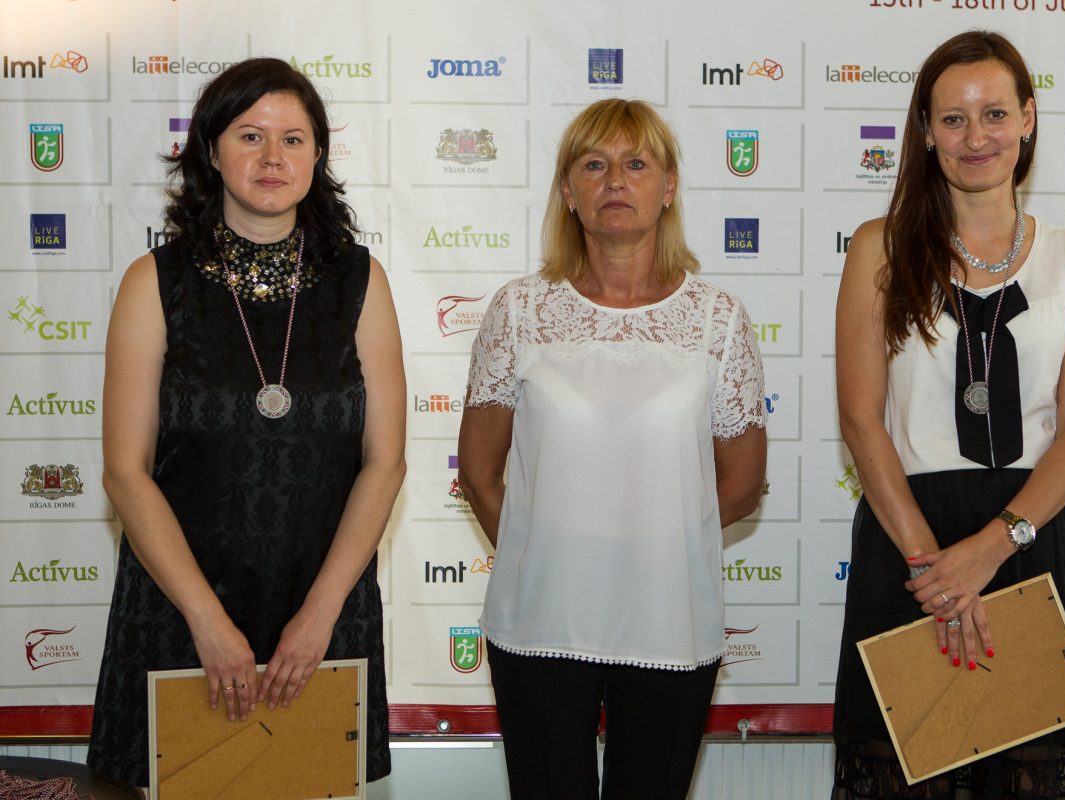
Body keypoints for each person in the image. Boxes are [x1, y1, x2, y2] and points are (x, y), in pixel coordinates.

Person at [87, 58, 405, 786]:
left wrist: (320, 615)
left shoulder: (360, 281)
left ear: (318, 155)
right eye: (250, 135)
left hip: (321, 610)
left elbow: (385, 461)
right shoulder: (154, 282)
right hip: (181, 608)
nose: (272, 158)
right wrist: (206, 620)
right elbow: (125, 471)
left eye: (293, 139)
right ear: (211, 150)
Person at [457, 97, 767, 799]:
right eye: (594, 165)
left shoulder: (718, 320)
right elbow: (478, 473)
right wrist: (547, 554)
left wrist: (652, 550)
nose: (616, 181)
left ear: (669, 187)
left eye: (637, 164)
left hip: (669, 622)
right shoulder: (519, 311)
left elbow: (743, 484)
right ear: (568, 191)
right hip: (540, 625)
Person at [832, 31, 1065, 798]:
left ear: (1028, 119)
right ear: (926, 131)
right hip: (908, 547)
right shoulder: (879, 249)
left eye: (994, 114)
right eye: (952, 119)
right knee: (905, 775)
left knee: (1030, 779)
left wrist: (990, 549)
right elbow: (860, 419)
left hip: (1031, 540)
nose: (975, 136)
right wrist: (934, 570)